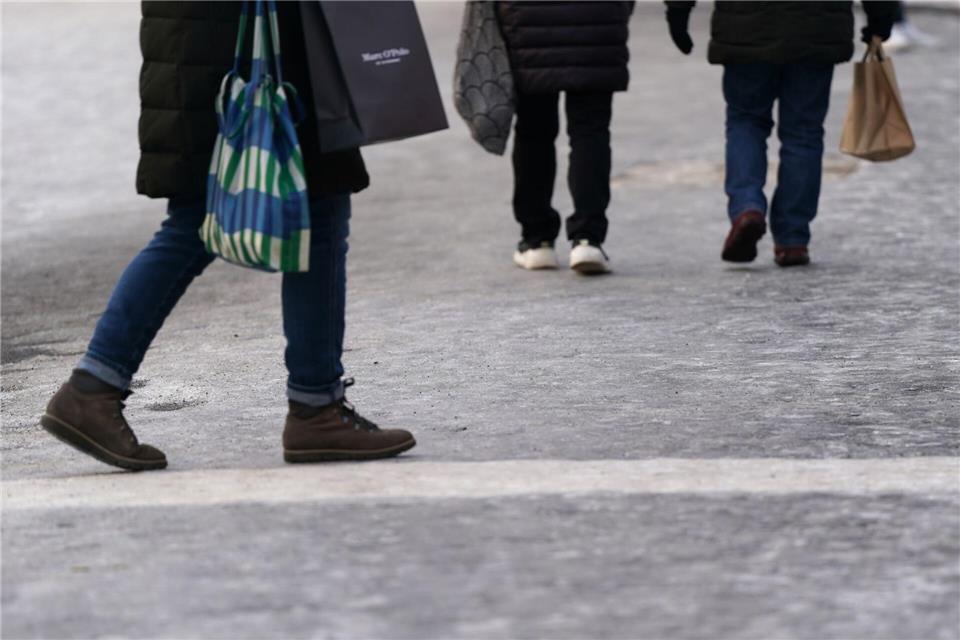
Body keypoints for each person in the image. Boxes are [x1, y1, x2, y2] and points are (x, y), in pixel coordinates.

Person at [39, 2, 416, 471]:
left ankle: (314, 404)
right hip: (250, 45)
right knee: (236, 217)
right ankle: (314, 407)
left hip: (211, 42)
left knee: (295, 207)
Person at [665, 1, 897, 266]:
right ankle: (792, 238)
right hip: (817, 27)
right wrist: (881, 15)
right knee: (804, 132)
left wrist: (678, 10)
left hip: (745, 26)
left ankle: (747, 207)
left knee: (746, 122)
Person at [497, 1, 634, 274]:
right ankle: (587, 239)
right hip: (597, 19)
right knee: (590, 131)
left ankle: (538, 241)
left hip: (528, 20)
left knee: (534, 130)